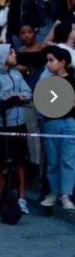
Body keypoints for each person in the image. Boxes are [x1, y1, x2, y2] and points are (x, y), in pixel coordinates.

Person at [0, 48, 33, 215]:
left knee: (20, 162)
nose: (15, 56)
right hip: (3, 126)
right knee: (2, 164)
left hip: (19, 124)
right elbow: (0, 98)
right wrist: (13, 97)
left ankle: (21, 198)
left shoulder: (18, 74)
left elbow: (28, 92)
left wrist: (16, 97)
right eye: (11, 53)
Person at [39, 46, 75, 211]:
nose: (48, 64)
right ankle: (53, 192)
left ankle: (66, 194)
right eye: (47, 60)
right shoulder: (47, 82)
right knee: (53, 161)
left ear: (63, 62)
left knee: (68, 160)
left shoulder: (72, 80)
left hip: (69, 123)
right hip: (51, 123)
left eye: (52, 60)